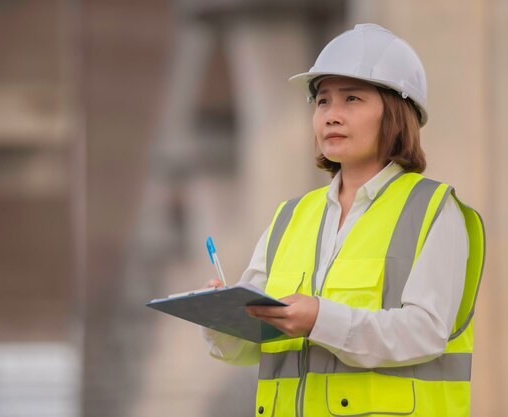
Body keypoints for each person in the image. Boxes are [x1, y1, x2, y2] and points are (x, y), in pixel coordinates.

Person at [201, 23, 485, 417]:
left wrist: (322, 319)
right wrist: (219, 317)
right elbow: (249, 345)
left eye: (351, 99)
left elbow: (425, 333)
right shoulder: (289, 217)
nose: (332, 116)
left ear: (396, 113)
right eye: (322, 101)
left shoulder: (434, 209)